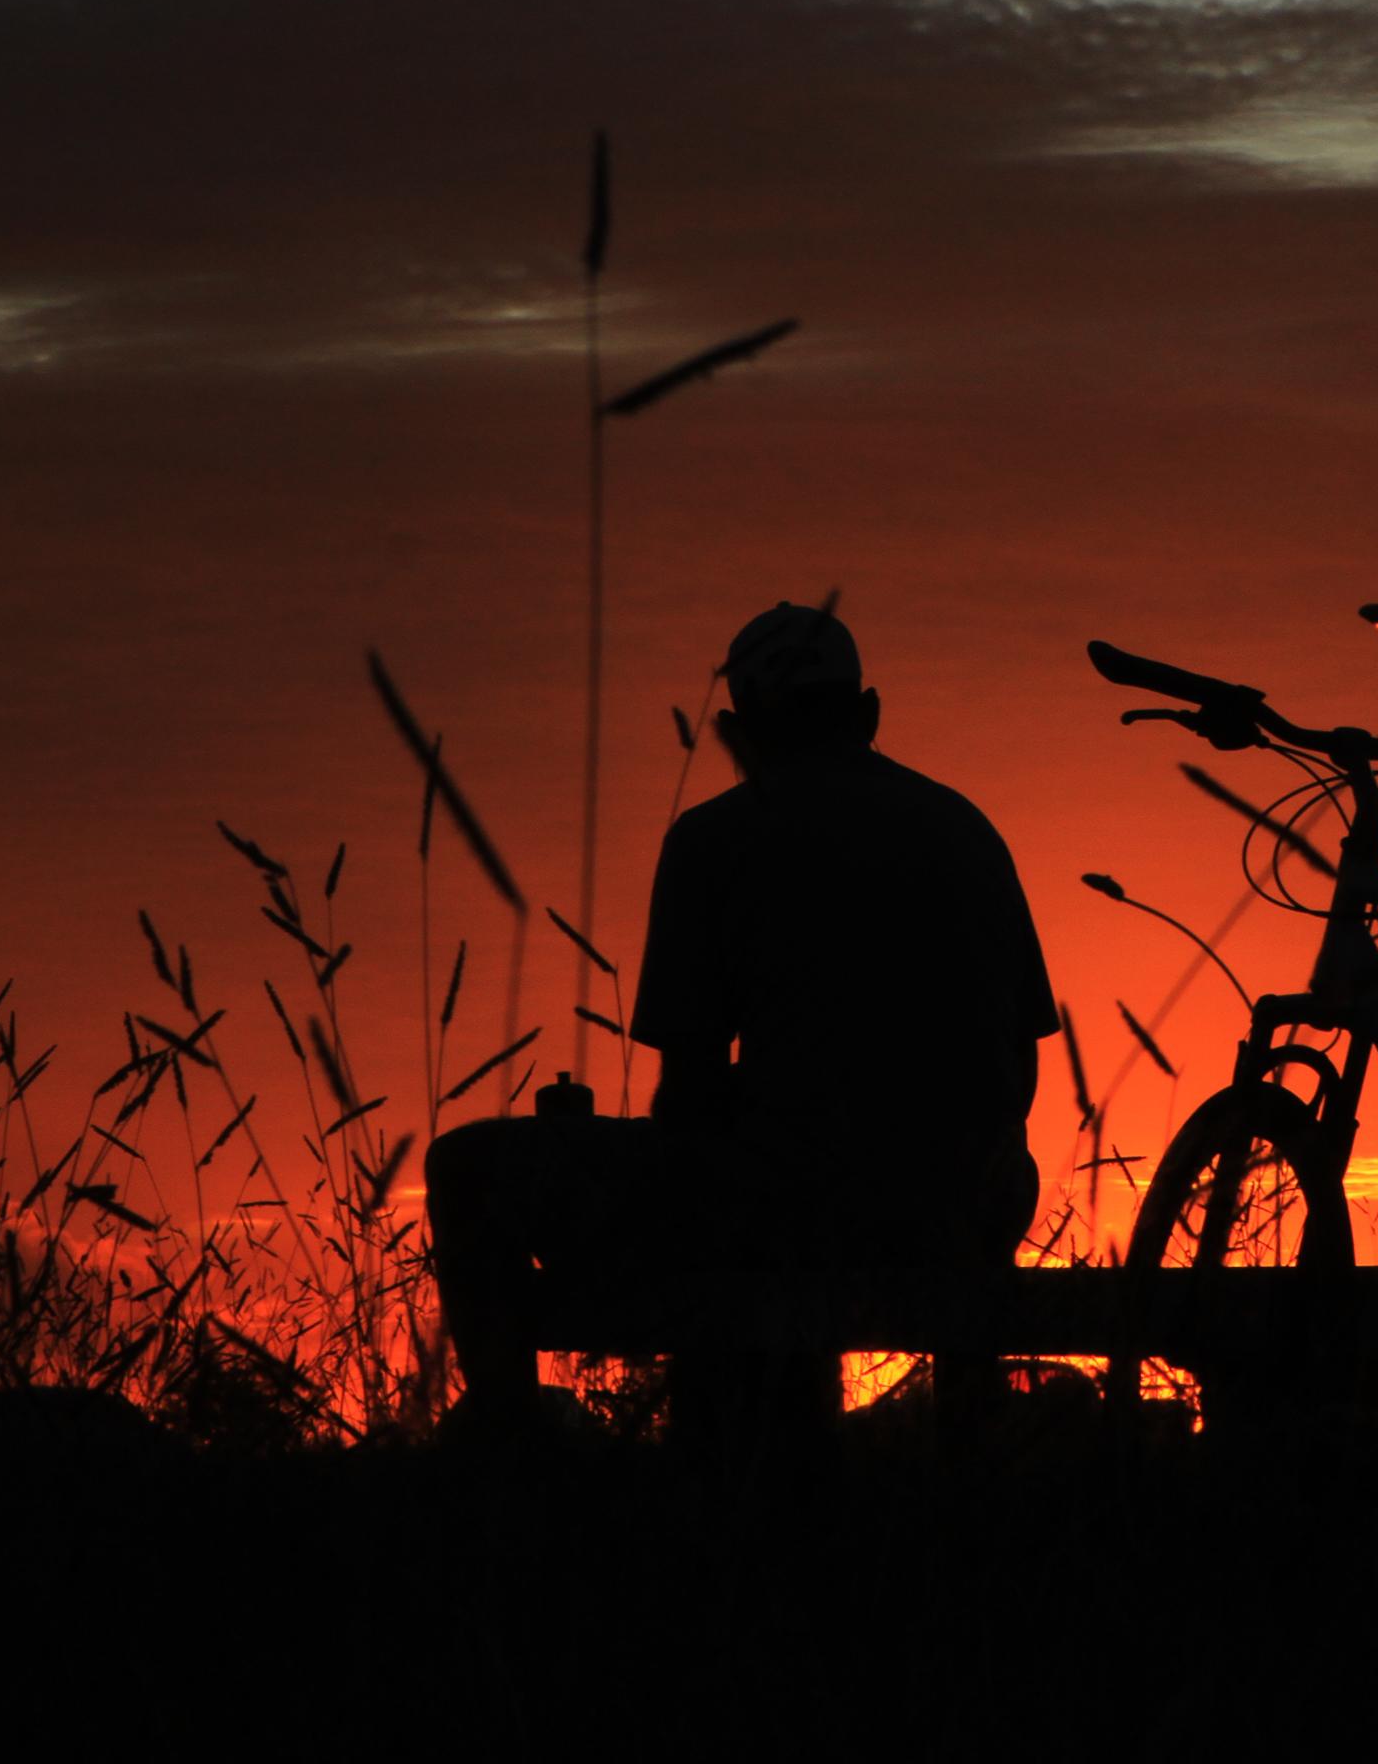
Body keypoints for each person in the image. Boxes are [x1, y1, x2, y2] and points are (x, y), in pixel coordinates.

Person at [426, 600, 1059, 1430]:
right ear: (868, 713)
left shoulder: (714, 841)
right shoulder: (966, 829)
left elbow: (683, 1096)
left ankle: (512, 1437)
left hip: (788, 1208)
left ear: (736, 729)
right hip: (969, 1202)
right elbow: (1020, 1066)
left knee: (467, 1169)